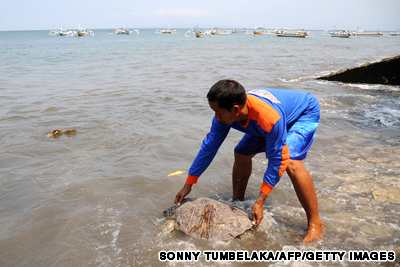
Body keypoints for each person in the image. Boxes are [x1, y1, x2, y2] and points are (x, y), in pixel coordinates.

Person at [174, 79, 324, 244]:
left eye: (218, 112)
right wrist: (189, 183)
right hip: (274, 118)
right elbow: (209, 147)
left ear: (235, 109)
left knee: (291, 162)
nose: (216, 117)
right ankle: (237, 201)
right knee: (241, 153)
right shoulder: (226, 115)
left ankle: (315, 224)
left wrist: (260, 201)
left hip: (302, 113)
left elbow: (277, 160)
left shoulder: (268, 119)